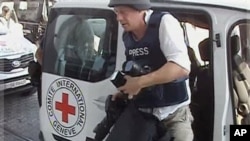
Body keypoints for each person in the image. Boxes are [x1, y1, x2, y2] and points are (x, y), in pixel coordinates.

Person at [108, 0, 193, 140]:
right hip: (144, 114)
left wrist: (139, 82)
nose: (119, 18)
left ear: (140, 9)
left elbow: (181, 67)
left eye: (123, 12)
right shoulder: (127, 36)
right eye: (116, 12)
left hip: (173, 114)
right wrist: (126, 88)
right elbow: (136, 69)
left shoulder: (164, 23)